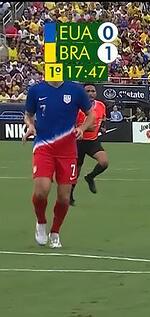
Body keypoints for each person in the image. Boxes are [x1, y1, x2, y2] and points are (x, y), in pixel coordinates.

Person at [23, 79, 93, 248]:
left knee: (64, 197)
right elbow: (28, 115)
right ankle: (41, 222)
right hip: (43, 146)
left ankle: (55, 232)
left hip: (67, 150)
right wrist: (30, 126)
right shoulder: (36, 90)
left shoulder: (75, 90)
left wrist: (82, 129)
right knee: (41, 190)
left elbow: (91, 114)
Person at [70, 83, 109, 206]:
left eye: (92, 91)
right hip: (77, 142)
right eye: (87, 91)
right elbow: (70, 126)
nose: (90, 93)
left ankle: (90, 177)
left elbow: (102, 119)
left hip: (92, 141)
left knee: (104, 162)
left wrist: (102, 127)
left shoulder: (101, 105)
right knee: (76, 173)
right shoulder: (76, 107)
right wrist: (85, 128)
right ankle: (70, 195)